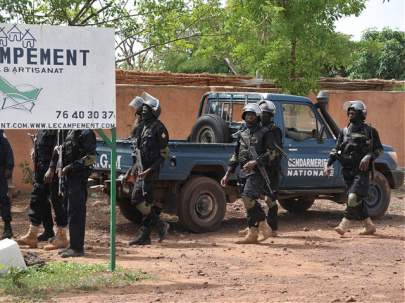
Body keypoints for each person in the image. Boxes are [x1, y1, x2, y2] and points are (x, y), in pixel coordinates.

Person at [324, 100, 383, 236]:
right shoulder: (343, 131)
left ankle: (344, 224)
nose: (350, 114)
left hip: (361, 172)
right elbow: (336, 149)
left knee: (352, 198)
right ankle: (369, 226)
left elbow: (379, 150)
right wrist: (328, 164)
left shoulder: (370, 131)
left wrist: (369, 156)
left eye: (353, 112)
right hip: (347, 172)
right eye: (349, 112)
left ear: (362, 114)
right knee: (357, 200)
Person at [221, 103, 275, 244]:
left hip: (258, 172)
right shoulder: (242, 133)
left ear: (257, 116)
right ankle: (253, 233)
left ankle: (264, 224)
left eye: (252, 115)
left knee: (247, 197)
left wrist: (255, 162)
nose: (249, 117)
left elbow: (271, 153)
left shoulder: (265, 132)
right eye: (247, 115)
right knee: (248, 202)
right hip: (243, 172)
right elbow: (236, 155)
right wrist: (228, 173)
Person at [45, 129, 96, 257]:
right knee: (70, 212)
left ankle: (77, 248)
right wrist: (53, 168)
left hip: (78, 179)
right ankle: (73, 245)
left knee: (76, 213)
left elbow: (92, 158)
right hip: (68, 179)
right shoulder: (68, 131)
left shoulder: (86, 132)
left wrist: (71, 167)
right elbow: (59, 151)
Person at [127, 92, 170, 246]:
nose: (142, 113)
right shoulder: (142, 127)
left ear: (153, 112)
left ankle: (160, 225)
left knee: (137, 199)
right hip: (141, 169)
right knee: (148, 202)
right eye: (141, 111)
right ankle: (145, 236)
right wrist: (133, 169)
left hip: (151, 171)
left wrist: (149, 170)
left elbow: (163, 155)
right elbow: (136, 149)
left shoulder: (159, 128)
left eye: (146, 111)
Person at [17, 130, 68, 249]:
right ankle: (32, 235)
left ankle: (62, 236)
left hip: (53, 171)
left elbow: (59, 149)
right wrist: (34, 150)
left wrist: (51, 168)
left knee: (57, 201)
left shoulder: (58, 128)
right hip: (40, 169)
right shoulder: (42, 128)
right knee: (37, 199)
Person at [0, 130, 14, 239]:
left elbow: (9, 156)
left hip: (0, 176)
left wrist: (9, 168)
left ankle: (7, 228)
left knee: (3, 200)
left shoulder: (3, 141)